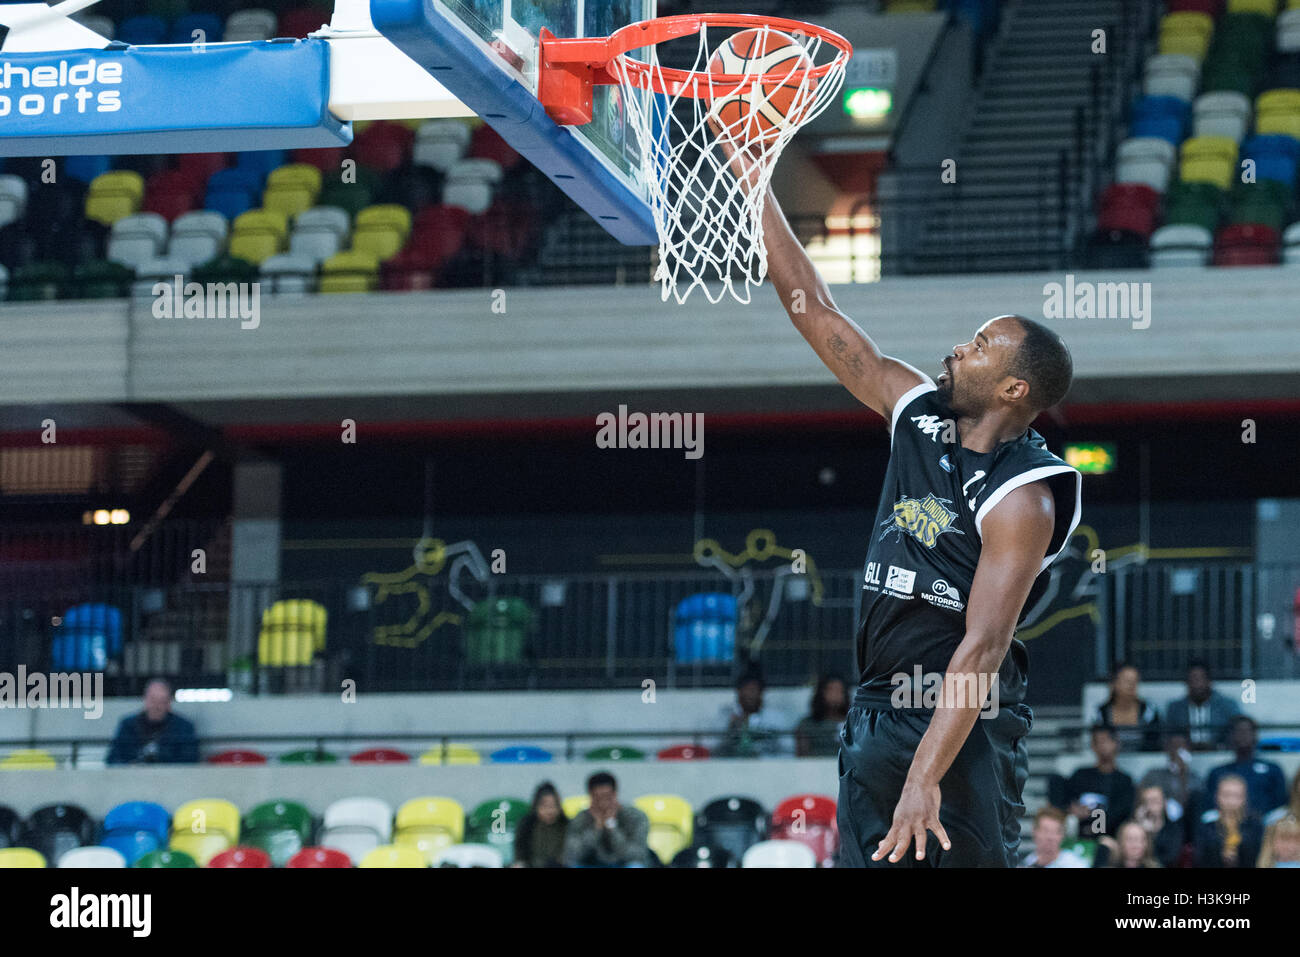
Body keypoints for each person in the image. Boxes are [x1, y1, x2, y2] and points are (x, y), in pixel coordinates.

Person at [735, 152, 1081, 868]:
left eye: (982, 344)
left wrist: (925, 774)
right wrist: (753, 183)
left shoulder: (1025, 493)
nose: (961, 345)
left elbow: (982, 648)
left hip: (965, 722)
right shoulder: (915, 411)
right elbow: (818, 312)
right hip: (875, 705)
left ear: (1015, 389)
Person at [1204, 715, 1288, 818]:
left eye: (1247, 731)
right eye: (1238, 731)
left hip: (1267, 827)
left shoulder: (1273, 770)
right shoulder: (1217, 773)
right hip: (1227, 828)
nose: (1243, 735)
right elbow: (1210, 808)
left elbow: (1282, 806)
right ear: (1230, 736)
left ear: (1255, 736)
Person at [562, 771, 652, 867]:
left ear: (615, 794)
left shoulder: (636, 817)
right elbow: (572, 854)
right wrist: (596, 829)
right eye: (598, 798)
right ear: (590, 797)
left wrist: (612, 826)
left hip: (623, 864)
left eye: (607, 797)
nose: (603, 804)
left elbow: (637, 855)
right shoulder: (581, 818)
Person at [1059, 725, 1135, 839]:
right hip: (1078, 833)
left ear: (1116, 743)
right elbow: (1067, 801)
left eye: (1105, 741)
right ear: (1092, 746)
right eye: (1097, 742)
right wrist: (1073, 808)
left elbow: (1121, 813)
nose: (1101, 746)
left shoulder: (1124, 780)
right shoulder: (1080, 774)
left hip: (1110, 837)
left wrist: (1092, 816)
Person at [106, 678, 199, 765]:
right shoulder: (128, 726)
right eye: (153, 700)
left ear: (169, 703)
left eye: (162, 701)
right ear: (145, 699)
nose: (156, 706)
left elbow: (190, 761)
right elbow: (113, 759)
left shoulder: (183, 728)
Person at [1162, 659, 1240, 750]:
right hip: (1186, 757)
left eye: (1200, 679)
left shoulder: (1227, 706)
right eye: (1192, 679)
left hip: (1220, 756)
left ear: (1209, 681)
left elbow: (1236, 733)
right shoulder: (1175, 708)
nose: (1196, 684)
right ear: (1186, 682)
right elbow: (1167, 738)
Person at [1194, 774, 1263, 868]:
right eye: (1226, 795)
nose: (1231, 801)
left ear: (1245, 798)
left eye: (1237, 796)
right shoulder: (1207, 825)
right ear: (1217, 796)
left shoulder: (1255, 825)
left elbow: (1260, 857)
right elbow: (1199, 858)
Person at [717, 667, 788, 757]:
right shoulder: (725, 715)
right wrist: (731, 728)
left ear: (761, 693)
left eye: (754, 690)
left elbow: (787, 750)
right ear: (739, 692)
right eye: (747, 689)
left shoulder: (776, 718)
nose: (750, 694)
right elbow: (714, 750)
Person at [1139, 731, 1204, 828]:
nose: (1177, 750)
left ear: (1188, 750)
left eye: (1182, 746)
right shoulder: (1153, 775)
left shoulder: (1195, 778)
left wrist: (1182, 772)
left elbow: (1192, 806)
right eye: (1174, 746)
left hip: (1189, 825)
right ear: (1167, 749)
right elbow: (1141, 801)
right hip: (1159, 824)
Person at [1092, 662, 1160, 752]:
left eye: (1135, 681)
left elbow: (1155, 743)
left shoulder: (1149, 711)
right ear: (1114, 684)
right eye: (1127, 681)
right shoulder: (1101, 712)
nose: (1132, 686)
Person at [512, 782, 568, 868]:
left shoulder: (566, 825)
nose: (549, 811)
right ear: (536, 806)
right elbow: (520, 856)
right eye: (545, 806)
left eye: (553, 806)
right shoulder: (526, 825)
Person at [1133, 784, 1186, 868]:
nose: (1152, 805)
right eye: (1148, 801)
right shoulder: (1135, 827)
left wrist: (1152, 834)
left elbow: (1171, 858)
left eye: (1156, 800)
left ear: (1164, 802)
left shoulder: (1174, 828)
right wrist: (1141, 827)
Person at [795, 675, 849, 757]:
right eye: (831, 690)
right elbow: (802, 757)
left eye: (839, 691)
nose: (835, 695)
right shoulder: (807, 724)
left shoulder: (853, 724)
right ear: (821, 693)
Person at [1019, 807, 1088, 868]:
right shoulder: (1026, 862)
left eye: (1056, 832)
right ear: (1034, 832)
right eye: (1045, 831)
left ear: (1063, 835)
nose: (1050, 837)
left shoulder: (1076, 864)